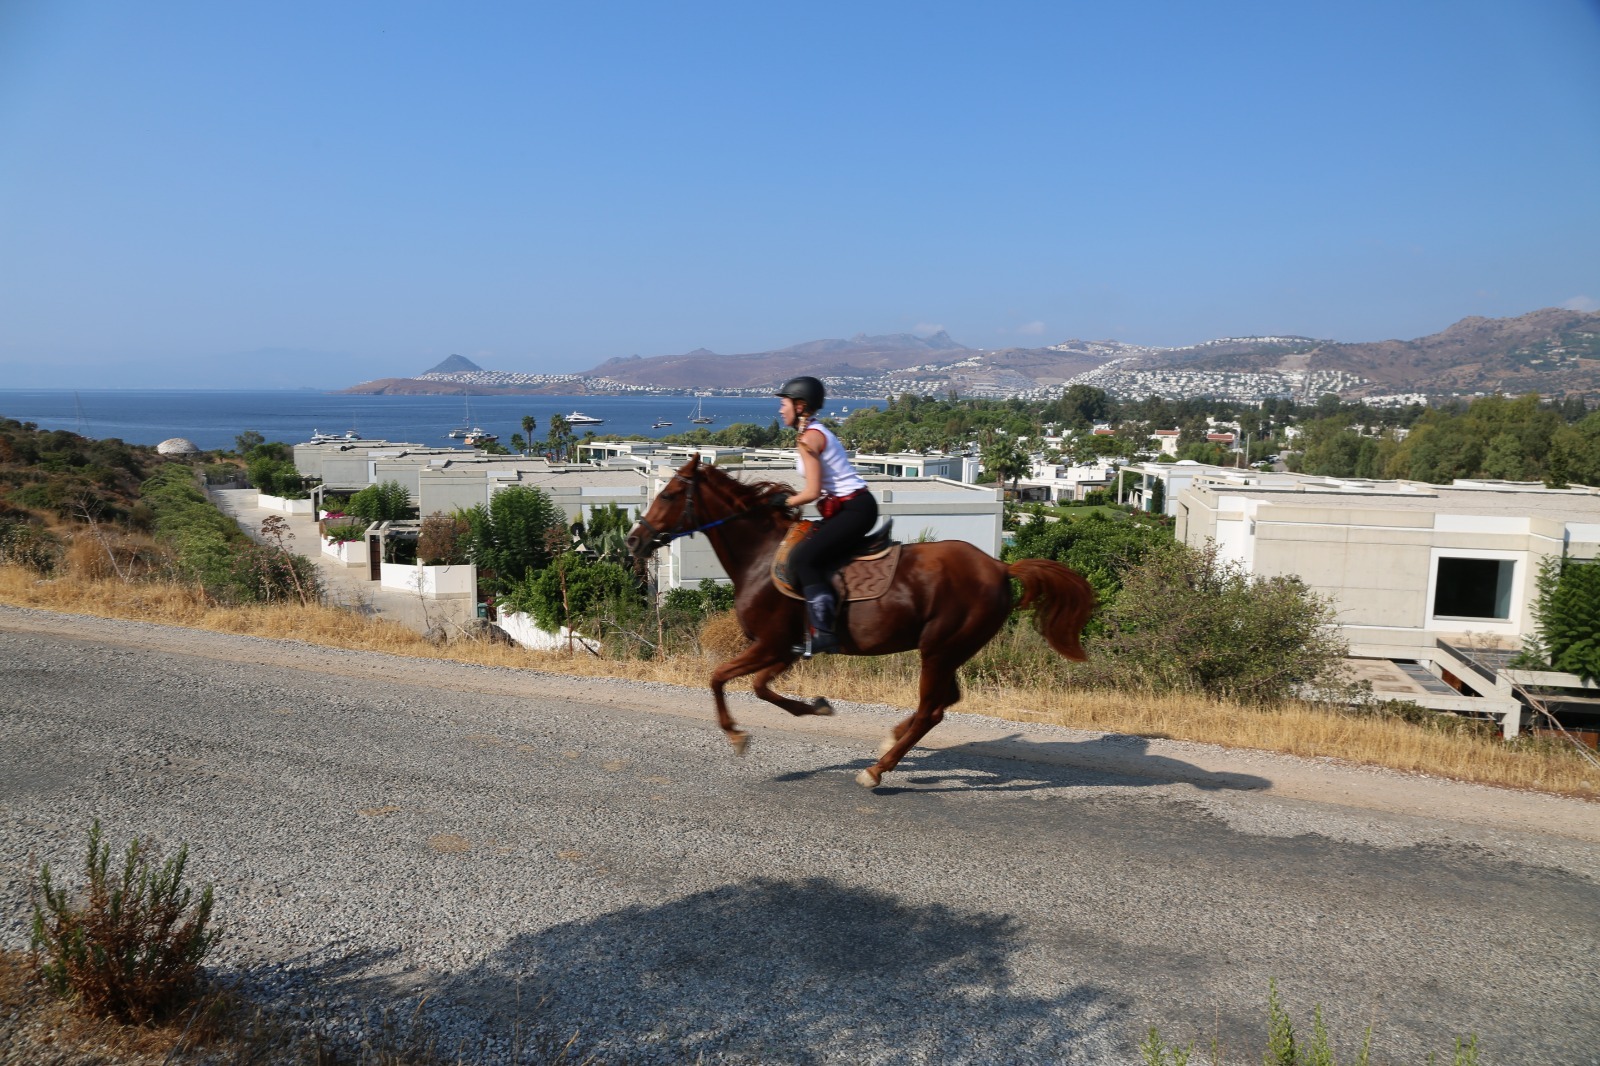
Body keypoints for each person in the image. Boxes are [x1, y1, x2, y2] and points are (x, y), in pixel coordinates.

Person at [775, 376, 877, 656]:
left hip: (854, 510)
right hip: (847, 509)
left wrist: (785, 501)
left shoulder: (810, 439)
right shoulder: (813, 433)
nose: (780, 410)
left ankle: (824, 633)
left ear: (800, 406)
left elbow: (812, 491)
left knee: (803, 559)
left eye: (783, 403)